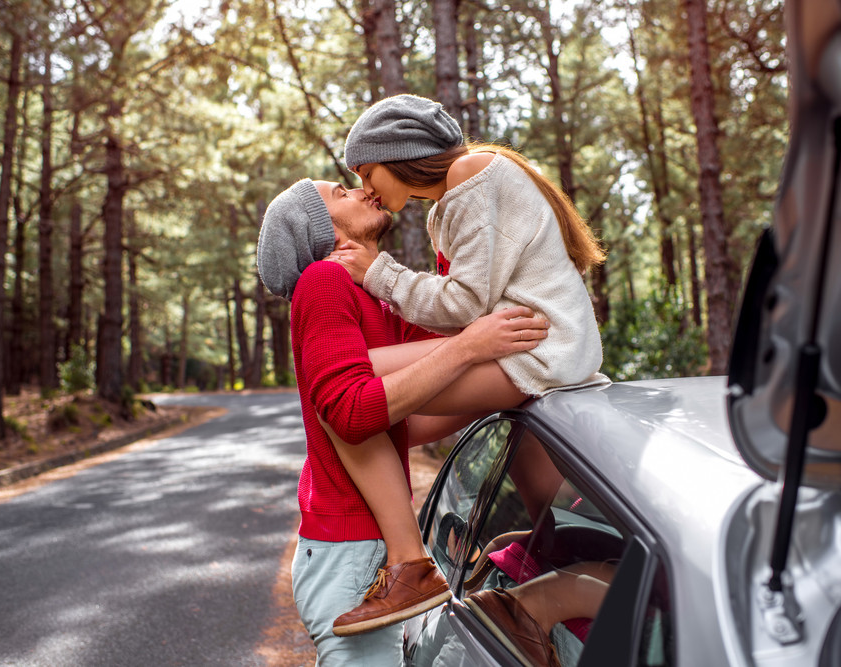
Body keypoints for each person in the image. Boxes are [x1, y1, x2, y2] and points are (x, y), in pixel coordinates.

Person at [318, 94, 611, 635]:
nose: (364, 186)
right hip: (526, 348)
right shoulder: (452, 197)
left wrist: (379, 273)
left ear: (396, 152)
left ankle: (411, 565)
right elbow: (462, 314)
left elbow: (464, 304)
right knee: (371, 417)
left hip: (536, 348)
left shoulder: (470, 172)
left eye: (364, 169)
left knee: (353, 384)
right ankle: (544, 552)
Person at [256, 178, 550, 665]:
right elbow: (350, 411)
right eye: (340, 193)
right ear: (323, 230)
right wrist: (469, 346)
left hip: (361, 554)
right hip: (350, 557)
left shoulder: (377, 299)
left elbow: (404, 421)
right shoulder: (323, 281)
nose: (362, 191)